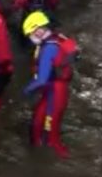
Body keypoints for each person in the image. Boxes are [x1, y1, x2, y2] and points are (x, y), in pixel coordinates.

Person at [21, 11, 79, 159]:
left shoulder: (48, 49)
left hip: (55, 91)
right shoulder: (57, 38)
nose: (30, 38)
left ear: (39, 30)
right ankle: (36, 149)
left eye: (31, 34)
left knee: (51, 132)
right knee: (37, 122)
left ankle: (61, 158)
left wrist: (25, 91)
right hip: (54, 90)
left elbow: (41, 80)